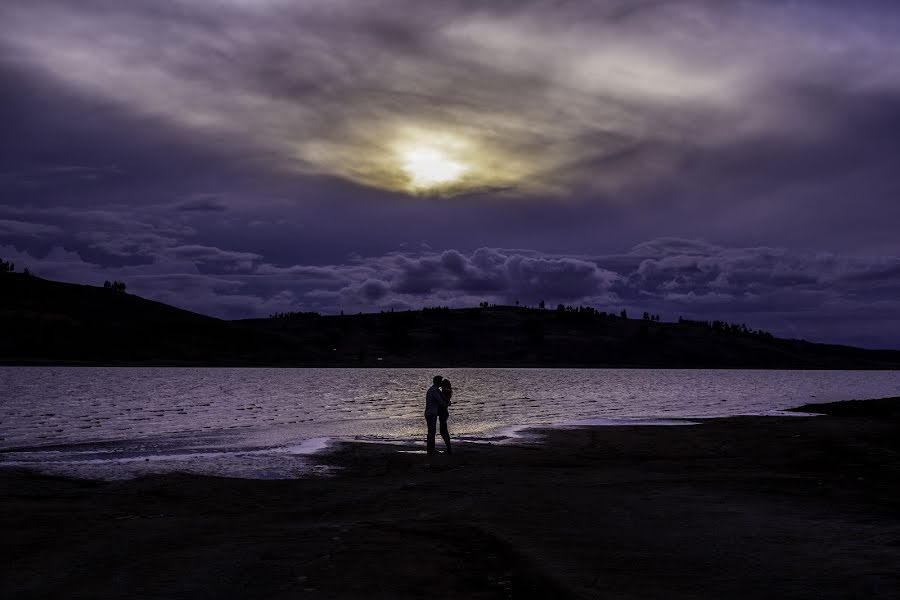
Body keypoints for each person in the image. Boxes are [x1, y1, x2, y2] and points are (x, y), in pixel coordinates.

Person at [424, 375, 452, 455]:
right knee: (433, 432)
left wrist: (446, 403)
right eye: (441, 381)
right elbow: (441, 401)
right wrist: (447, 404)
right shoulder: (435, 391)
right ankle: (431, 450)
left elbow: (442, 400)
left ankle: (432, 449)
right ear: (438, 382)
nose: (441, 383)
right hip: (432, 413)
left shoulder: (436, 390)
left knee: (435, 431)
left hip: (434, 413)